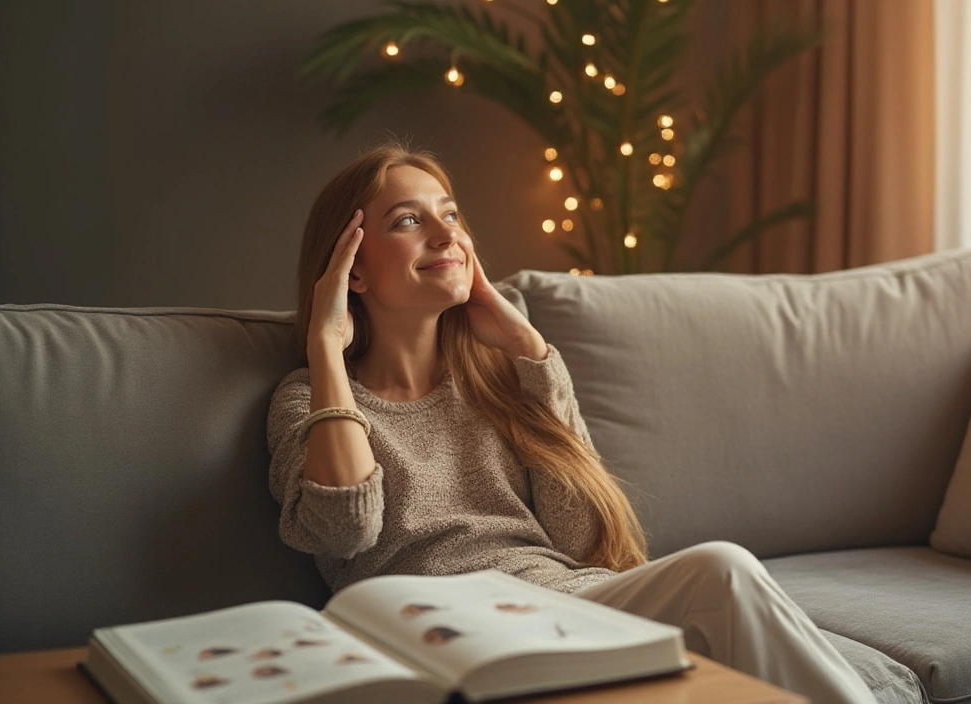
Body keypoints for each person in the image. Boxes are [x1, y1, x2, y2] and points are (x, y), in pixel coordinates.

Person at [266, 142, 877, 704]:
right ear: (354, 270)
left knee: (724, 567)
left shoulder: (501, 380)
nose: (443, 234)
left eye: (449, 215)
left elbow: (584, 535)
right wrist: (326, 345)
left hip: (565, 604)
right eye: (407, 220)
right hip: (430, 631)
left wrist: (530, 350)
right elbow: (343, 531)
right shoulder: (307, 399)